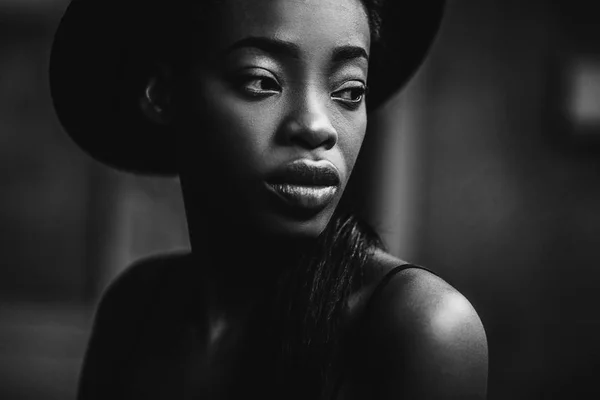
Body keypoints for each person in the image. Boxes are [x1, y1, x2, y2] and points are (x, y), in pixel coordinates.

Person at [49, 0, 488, 399]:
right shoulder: (135, 311)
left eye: (350, 91)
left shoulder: (421, 328)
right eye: (261, 81)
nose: (318, 127)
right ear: (163, 93)